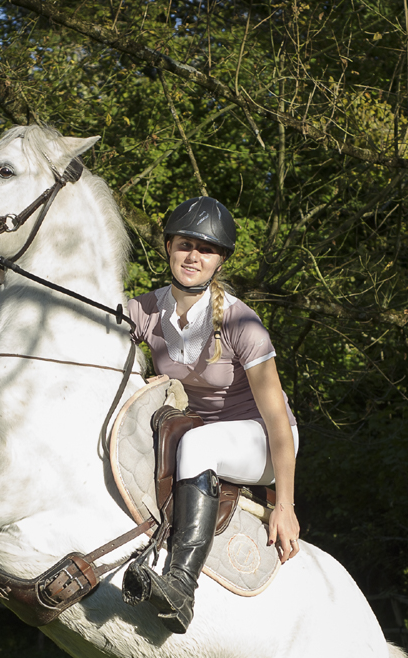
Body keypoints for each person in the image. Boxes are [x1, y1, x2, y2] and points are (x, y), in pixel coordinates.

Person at [122, 196, 300, 633]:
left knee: (195, 442)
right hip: (205, 438)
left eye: (206, 249)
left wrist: (286, 505)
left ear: (220, 260)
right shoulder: (143, 309)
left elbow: (276, 420)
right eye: (185, 244)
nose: (193, 256)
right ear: (168, 247)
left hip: (265, 440)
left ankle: (181, 587)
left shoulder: (243, 324)